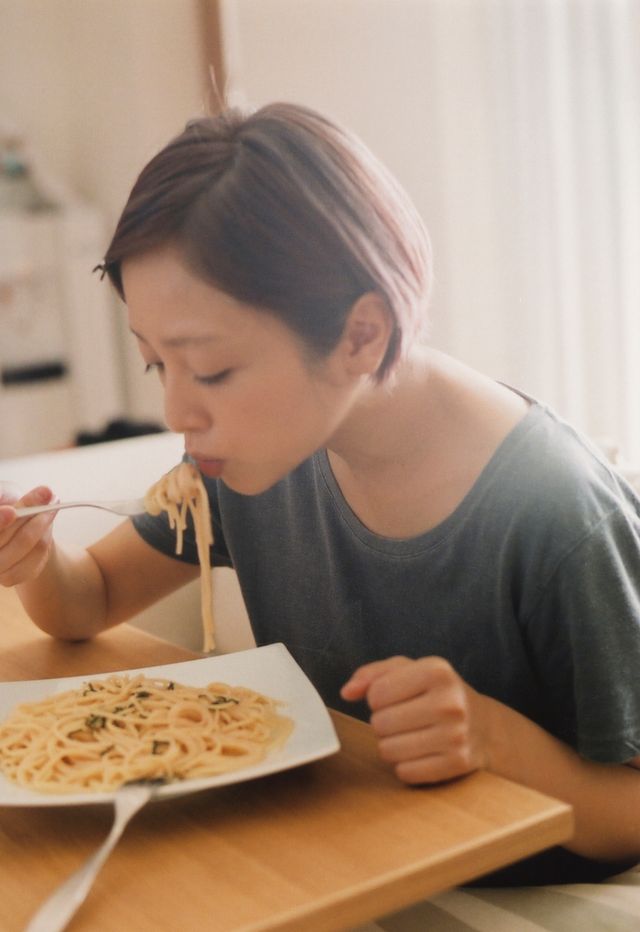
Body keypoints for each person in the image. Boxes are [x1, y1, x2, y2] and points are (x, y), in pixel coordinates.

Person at [1, 102, 639, 887]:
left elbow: (630, 813)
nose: (175, 413)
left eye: (211, 370)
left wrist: (494, 740)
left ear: (360, 336)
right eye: (155, 365)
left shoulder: (556, 513)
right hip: (343, 865)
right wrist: (32, 558)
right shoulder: (261, 457)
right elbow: (88, 600)